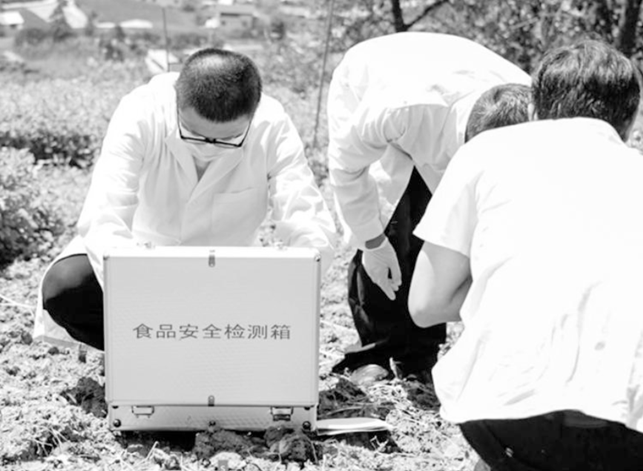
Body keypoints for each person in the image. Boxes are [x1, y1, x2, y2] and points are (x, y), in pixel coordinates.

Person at [409, 40, 643, 470]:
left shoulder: (485, 152)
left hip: (507, 420)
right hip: (629, 429)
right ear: (629, 123)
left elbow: (425, 305)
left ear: (533, 110)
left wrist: (505, 284)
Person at [34, 48, 338, 349]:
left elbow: (306, 216)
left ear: (252, 115)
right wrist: (149, 300)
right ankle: (147, 353)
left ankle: (210, 352)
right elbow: (104, 216)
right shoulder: (142, 112)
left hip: (228, 271)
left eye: (229, 139)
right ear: (177, 102)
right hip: (144, 261)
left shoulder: (272, 125)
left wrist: (290, 289)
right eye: (194, 134)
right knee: (67, 288)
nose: (209, 148)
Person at [326, 32, 531, 380]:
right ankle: (373, 351)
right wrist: (372, 242)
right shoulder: (399, 108)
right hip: (376, 83)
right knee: (390, 221)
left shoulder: (535, 115)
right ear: (468, 141)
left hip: (444, 78)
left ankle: (420, 354)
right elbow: (347, 166)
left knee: (440, 231)